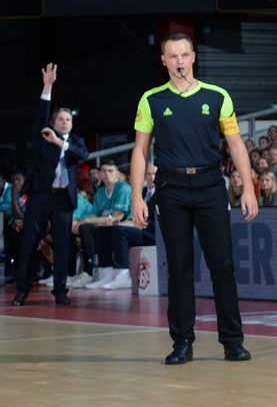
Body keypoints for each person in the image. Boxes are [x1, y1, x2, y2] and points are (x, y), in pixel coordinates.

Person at [129, 34, 258, 365]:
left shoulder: (217, 96)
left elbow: (236, 144)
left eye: (185, 54)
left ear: (193, 57)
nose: (180, 60)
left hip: (210, 184)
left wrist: (247, 187)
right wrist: (137, 196)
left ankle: (232, 340)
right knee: (179, 268)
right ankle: (182, 342)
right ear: (164, 61)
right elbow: (141, 151)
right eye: (173, 56)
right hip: (170, 187)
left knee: (223, 265)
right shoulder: (151, 99)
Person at [11, 65, 89, 307]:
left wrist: (61, 143)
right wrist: (48, 86)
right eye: (61, 119)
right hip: (41, 196)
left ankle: (61, 291)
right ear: (53, 122)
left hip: (63, 199)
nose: (65, 123)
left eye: (69, 120)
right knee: (29, 243)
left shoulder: (76, 142)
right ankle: (22, 290)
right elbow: (40, 115)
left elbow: (82, 155)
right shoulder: (43, 137)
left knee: (64, 246)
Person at [71, 158, 133, 290]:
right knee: (92, 229)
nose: (107, 174)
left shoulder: (123, 188)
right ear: (99, 174)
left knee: (91, 227)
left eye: (110, 171)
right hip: (108, 227)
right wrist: (84, 221)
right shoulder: (100, 192)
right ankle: (107, 272)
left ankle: (122, 275)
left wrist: (85, 220)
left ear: (117, 173)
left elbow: (118, 216)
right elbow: (94, 216)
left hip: (128, 226)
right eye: (104, 171)